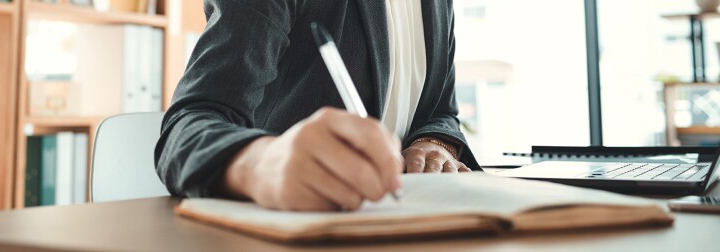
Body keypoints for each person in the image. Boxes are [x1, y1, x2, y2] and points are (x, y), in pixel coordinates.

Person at [155, 0, 480, 211]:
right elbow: (186, 128)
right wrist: (261, 162)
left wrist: (432, 143)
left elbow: (441, 111)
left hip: (406, 225)